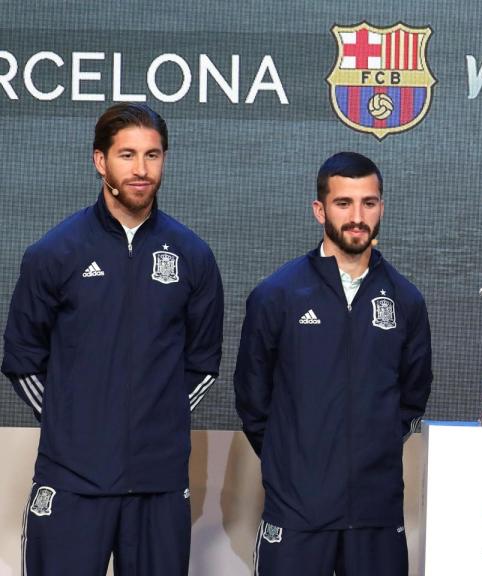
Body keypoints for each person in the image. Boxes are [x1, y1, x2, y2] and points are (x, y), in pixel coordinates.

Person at [2, 103, 224, 575]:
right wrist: (77, 424)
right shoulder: (54, 252)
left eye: (152, 155)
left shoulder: (193, 256)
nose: (141, 170)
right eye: (127, 155)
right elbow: (21, 357)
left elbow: (203, 363)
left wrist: (153, 421)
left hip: (158, 484)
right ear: (100, 161)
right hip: (73, 481)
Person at [235, 151, 432, 575]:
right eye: (344, 203)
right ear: (319, 210)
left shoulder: (406, 300)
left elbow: (412, 397)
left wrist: (371, 448)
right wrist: (295, 461)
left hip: (376, 514)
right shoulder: (277, 295)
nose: (357, 216)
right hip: (297, 512)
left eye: (369, 202)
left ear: (381, 207)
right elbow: (253, 401)